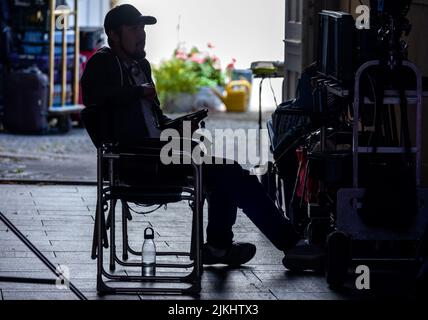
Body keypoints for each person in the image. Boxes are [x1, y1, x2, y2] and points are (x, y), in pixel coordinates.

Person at [81, 4, 300, 268]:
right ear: (114, 34)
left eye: (144, 27)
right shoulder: (102, 63)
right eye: (134, 28)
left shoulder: (141, 66)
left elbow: (156, 119)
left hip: (160, 154)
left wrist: (183, 125)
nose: (142, 33)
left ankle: (219, 247)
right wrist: (138, 92)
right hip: (136, 162)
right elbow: (96, 99)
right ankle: (290, 243)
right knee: (228, 173)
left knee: (224, 171)